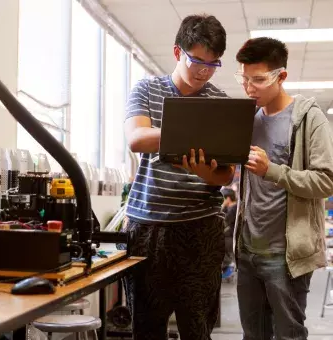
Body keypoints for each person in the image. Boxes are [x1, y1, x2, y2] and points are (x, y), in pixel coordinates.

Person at [122, 14, 235, 340]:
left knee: (197, 329)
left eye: (212, 65)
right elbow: (136, 138)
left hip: (200, 229)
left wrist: (204, 172)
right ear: (177, 52)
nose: (203, 72)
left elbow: (224, 175)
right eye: (197, 61)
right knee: (147, 328)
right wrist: (188, 132)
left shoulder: (218, 102)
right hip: (148, 228)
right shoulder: (146, 89)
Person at [233, 37, 333, 340]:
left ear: (281, 76)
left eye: (259, 80)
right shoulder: (247, 121)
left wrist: (272, 171)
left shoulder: (308, 118)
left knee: (289, 335)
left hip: (286, 256)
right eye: (244, 79)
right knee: (254, 335)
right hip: (248, 252)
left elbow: (326, 180)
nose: (250, 87)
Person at [221, 187, 237, 273]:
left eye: (223, 198)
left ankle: (226, 264)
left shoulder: (234, 208)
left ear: (228, 198)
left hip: (231, 238)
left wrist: (223, 206)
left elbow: (224, 221)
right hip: (228, 236)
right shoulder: (230, 208)